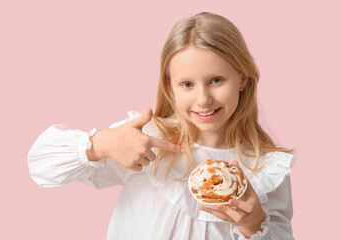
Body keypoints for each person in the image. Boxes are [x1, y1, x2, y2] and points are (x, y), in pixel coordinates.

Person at [28, 12, 295, 239]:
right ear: (170, 87)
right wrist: (102, 143)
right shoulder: (145, 141)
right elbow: (40, 165)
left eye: (216, 80)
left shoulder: (266, 166)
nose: (203, 99)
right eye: (187, 84)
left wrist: (253, 225)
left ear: (243, 78)